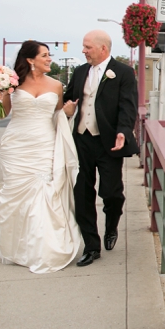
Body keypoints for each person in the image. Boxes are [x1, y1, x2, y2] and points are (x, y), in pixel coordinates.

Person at [0, 41, 83, 273]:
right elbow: (2, 115)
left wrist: (67, 113)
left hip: (44, 143)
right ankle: (16, 246)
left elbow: (57, 115)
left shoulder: (57, 85)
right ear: (30, 59)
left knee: (45, 192)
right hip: (16, 145)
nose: (49, 59)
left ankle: (43, 247)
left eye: (49, 55)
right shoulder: (12, 83)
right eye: (44, 55)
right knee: (15, 194)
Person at [63, 30, 139, 267]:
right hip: (81, 140)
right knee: (82, 193)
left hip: (109, 142)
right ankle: (91, 246)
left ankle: (112, 224)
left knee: (112, 193)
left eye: (87, 47)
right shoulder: (79, 72)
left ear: (103, 49)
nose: (83, 51)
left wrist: (123, 132)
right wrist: (65, 108)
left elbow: (128, 107)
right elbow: (67, 98)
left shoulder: (124, 72)